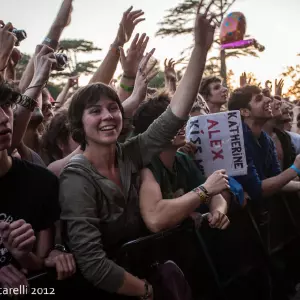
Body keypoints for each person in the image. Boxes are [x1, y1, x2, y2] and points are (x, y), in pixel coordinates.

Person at [59, 2, 216, 298]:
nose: (107, 116)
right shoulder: (76, 177)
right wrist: (147, 291)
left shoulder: (130, 153)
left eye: (113, 108)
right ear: (79, 125)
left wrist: (200, 49)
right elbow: (92, 263)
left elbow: (175, 114)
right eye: (95, 111)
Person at [0, 27, 75, 295]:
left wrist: (22, 256)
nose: (4, 118)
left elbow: (39, 262)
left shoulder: (40, 181)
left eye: (7, 105)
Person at [133, 96, 230, 233]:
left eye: (182, 118)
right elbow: (155, 219)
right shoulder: (147, 164)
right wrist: (204, 190)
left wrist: (218, 212)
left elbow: (215, 196)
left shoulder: (182, 160)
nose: (183, 123)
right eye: (173, 121)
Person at [228, 85, 300, 201]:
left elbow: (277, 180)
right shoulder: (236, 140)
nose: (268, 100)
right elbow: (257, 190)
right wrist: (295, 168)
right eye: (259, 99)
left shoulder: (266, 140)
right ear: (245, 111)